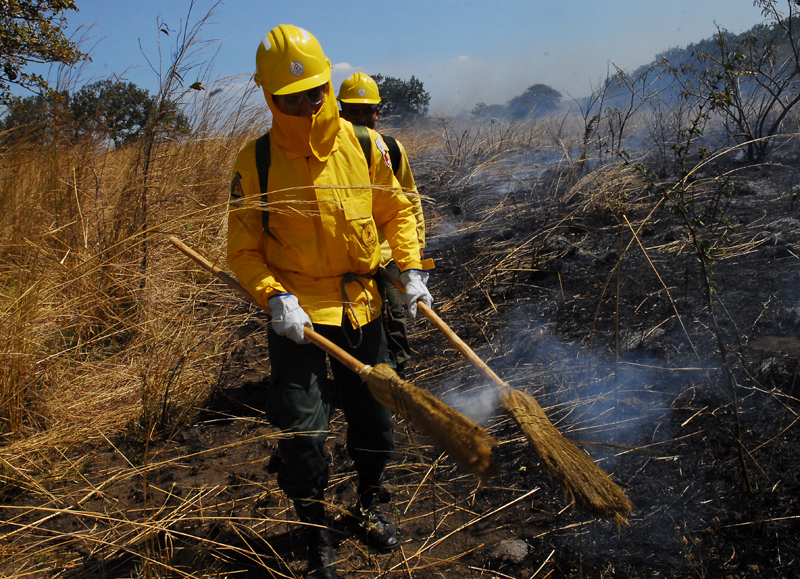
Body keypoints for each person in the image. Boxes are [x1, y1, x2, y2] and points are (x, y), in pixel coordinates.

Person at [226, 25, 433, 579]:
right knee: (303, 431)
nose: (307, 102)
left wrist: (409, 269)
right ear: (269, 96)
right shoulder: (257, 161)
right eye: (291, 96)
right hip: (295, 316)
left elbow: (397, 212)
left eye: (316, 91)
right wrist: (276, 298)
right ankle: (315, 531)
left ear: (327, 83)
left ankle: (368, 503)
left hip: (362, 305)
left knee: (375, 418)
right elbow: (242, 251)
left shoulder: (365, 145)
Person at [338, 72, 426, 379]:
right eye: (353, 111)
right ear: (340, 112)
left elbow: (409, 199)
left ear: (378, 112)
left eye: (367, 111)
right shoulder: (331, 153)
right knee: (357, 321)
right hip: (353, 258)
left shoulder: (391, 148)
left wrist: (415, 252)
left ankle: (398, 374)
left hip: (389, 253)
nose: (361, 118)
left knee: (395, 315)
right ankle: (366, 376)